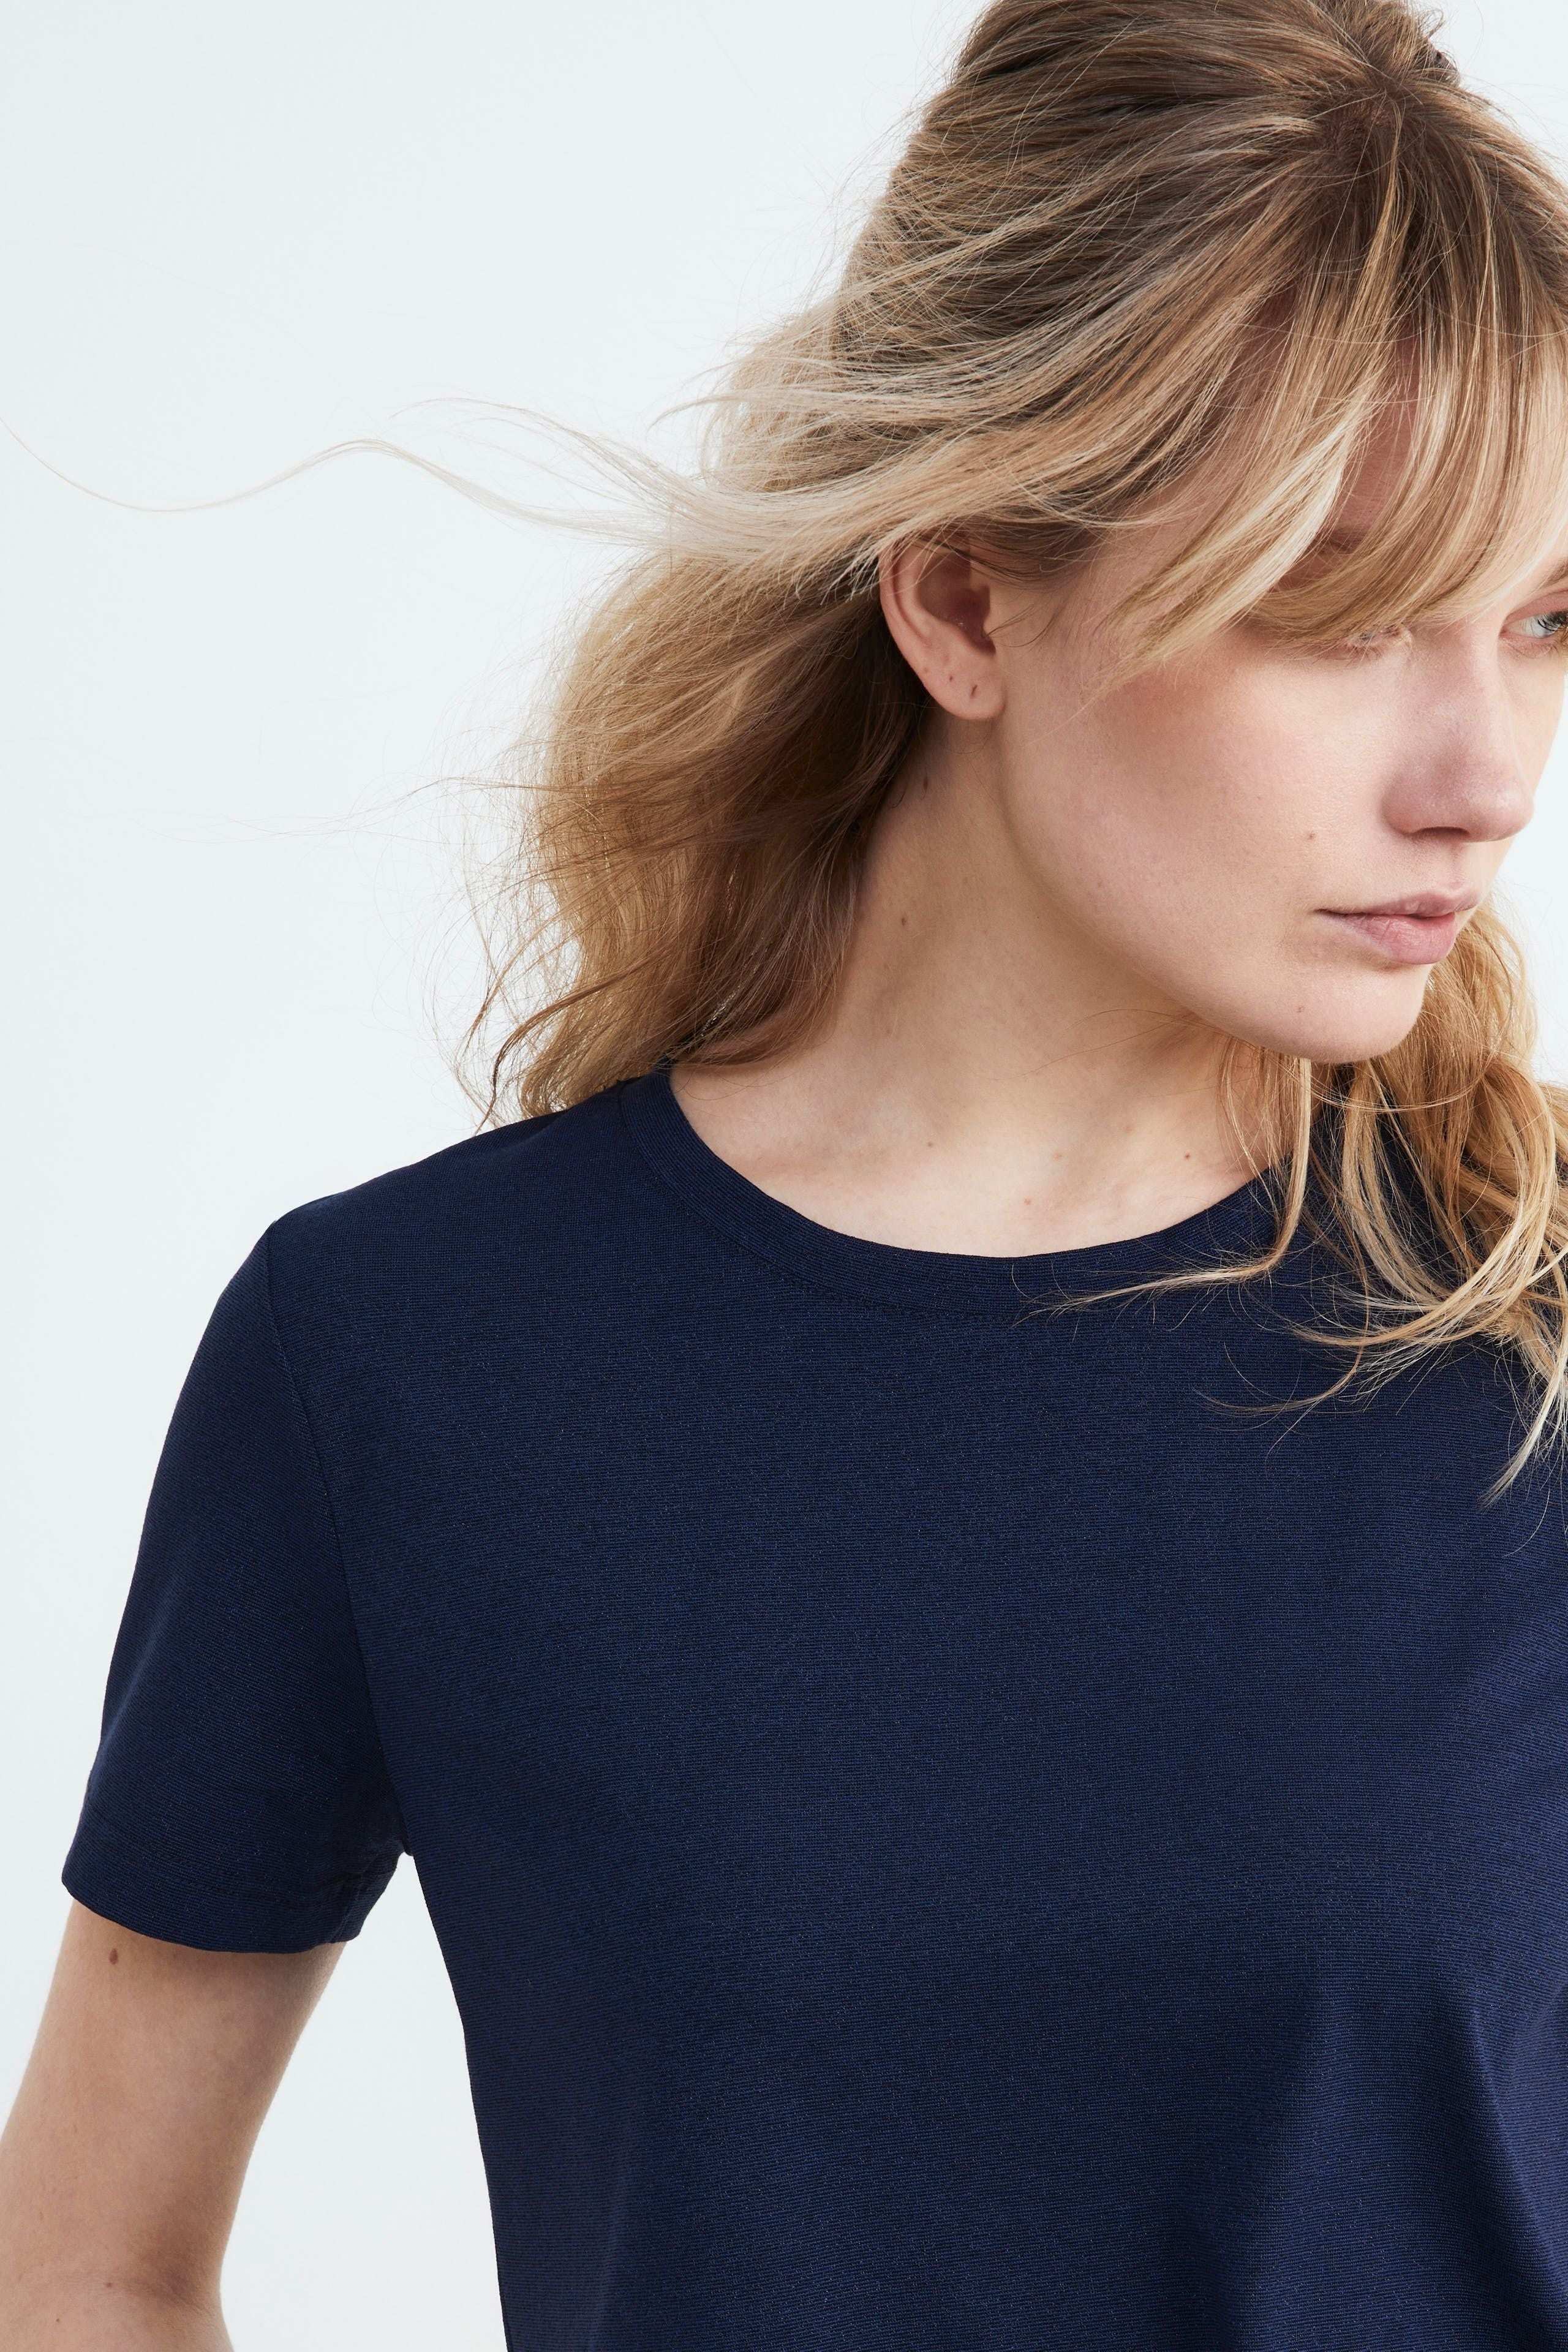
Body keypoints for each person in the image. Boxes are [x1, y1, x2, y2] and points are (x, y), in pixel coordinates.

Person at [8, 0, 1568, 2343]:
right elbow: (92, 2265)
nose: (1488, 776)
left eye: (1547, 620)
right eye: (1336, 616)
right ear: (963, 601)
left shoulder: (1533, 1330)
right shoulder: (407, 1359)